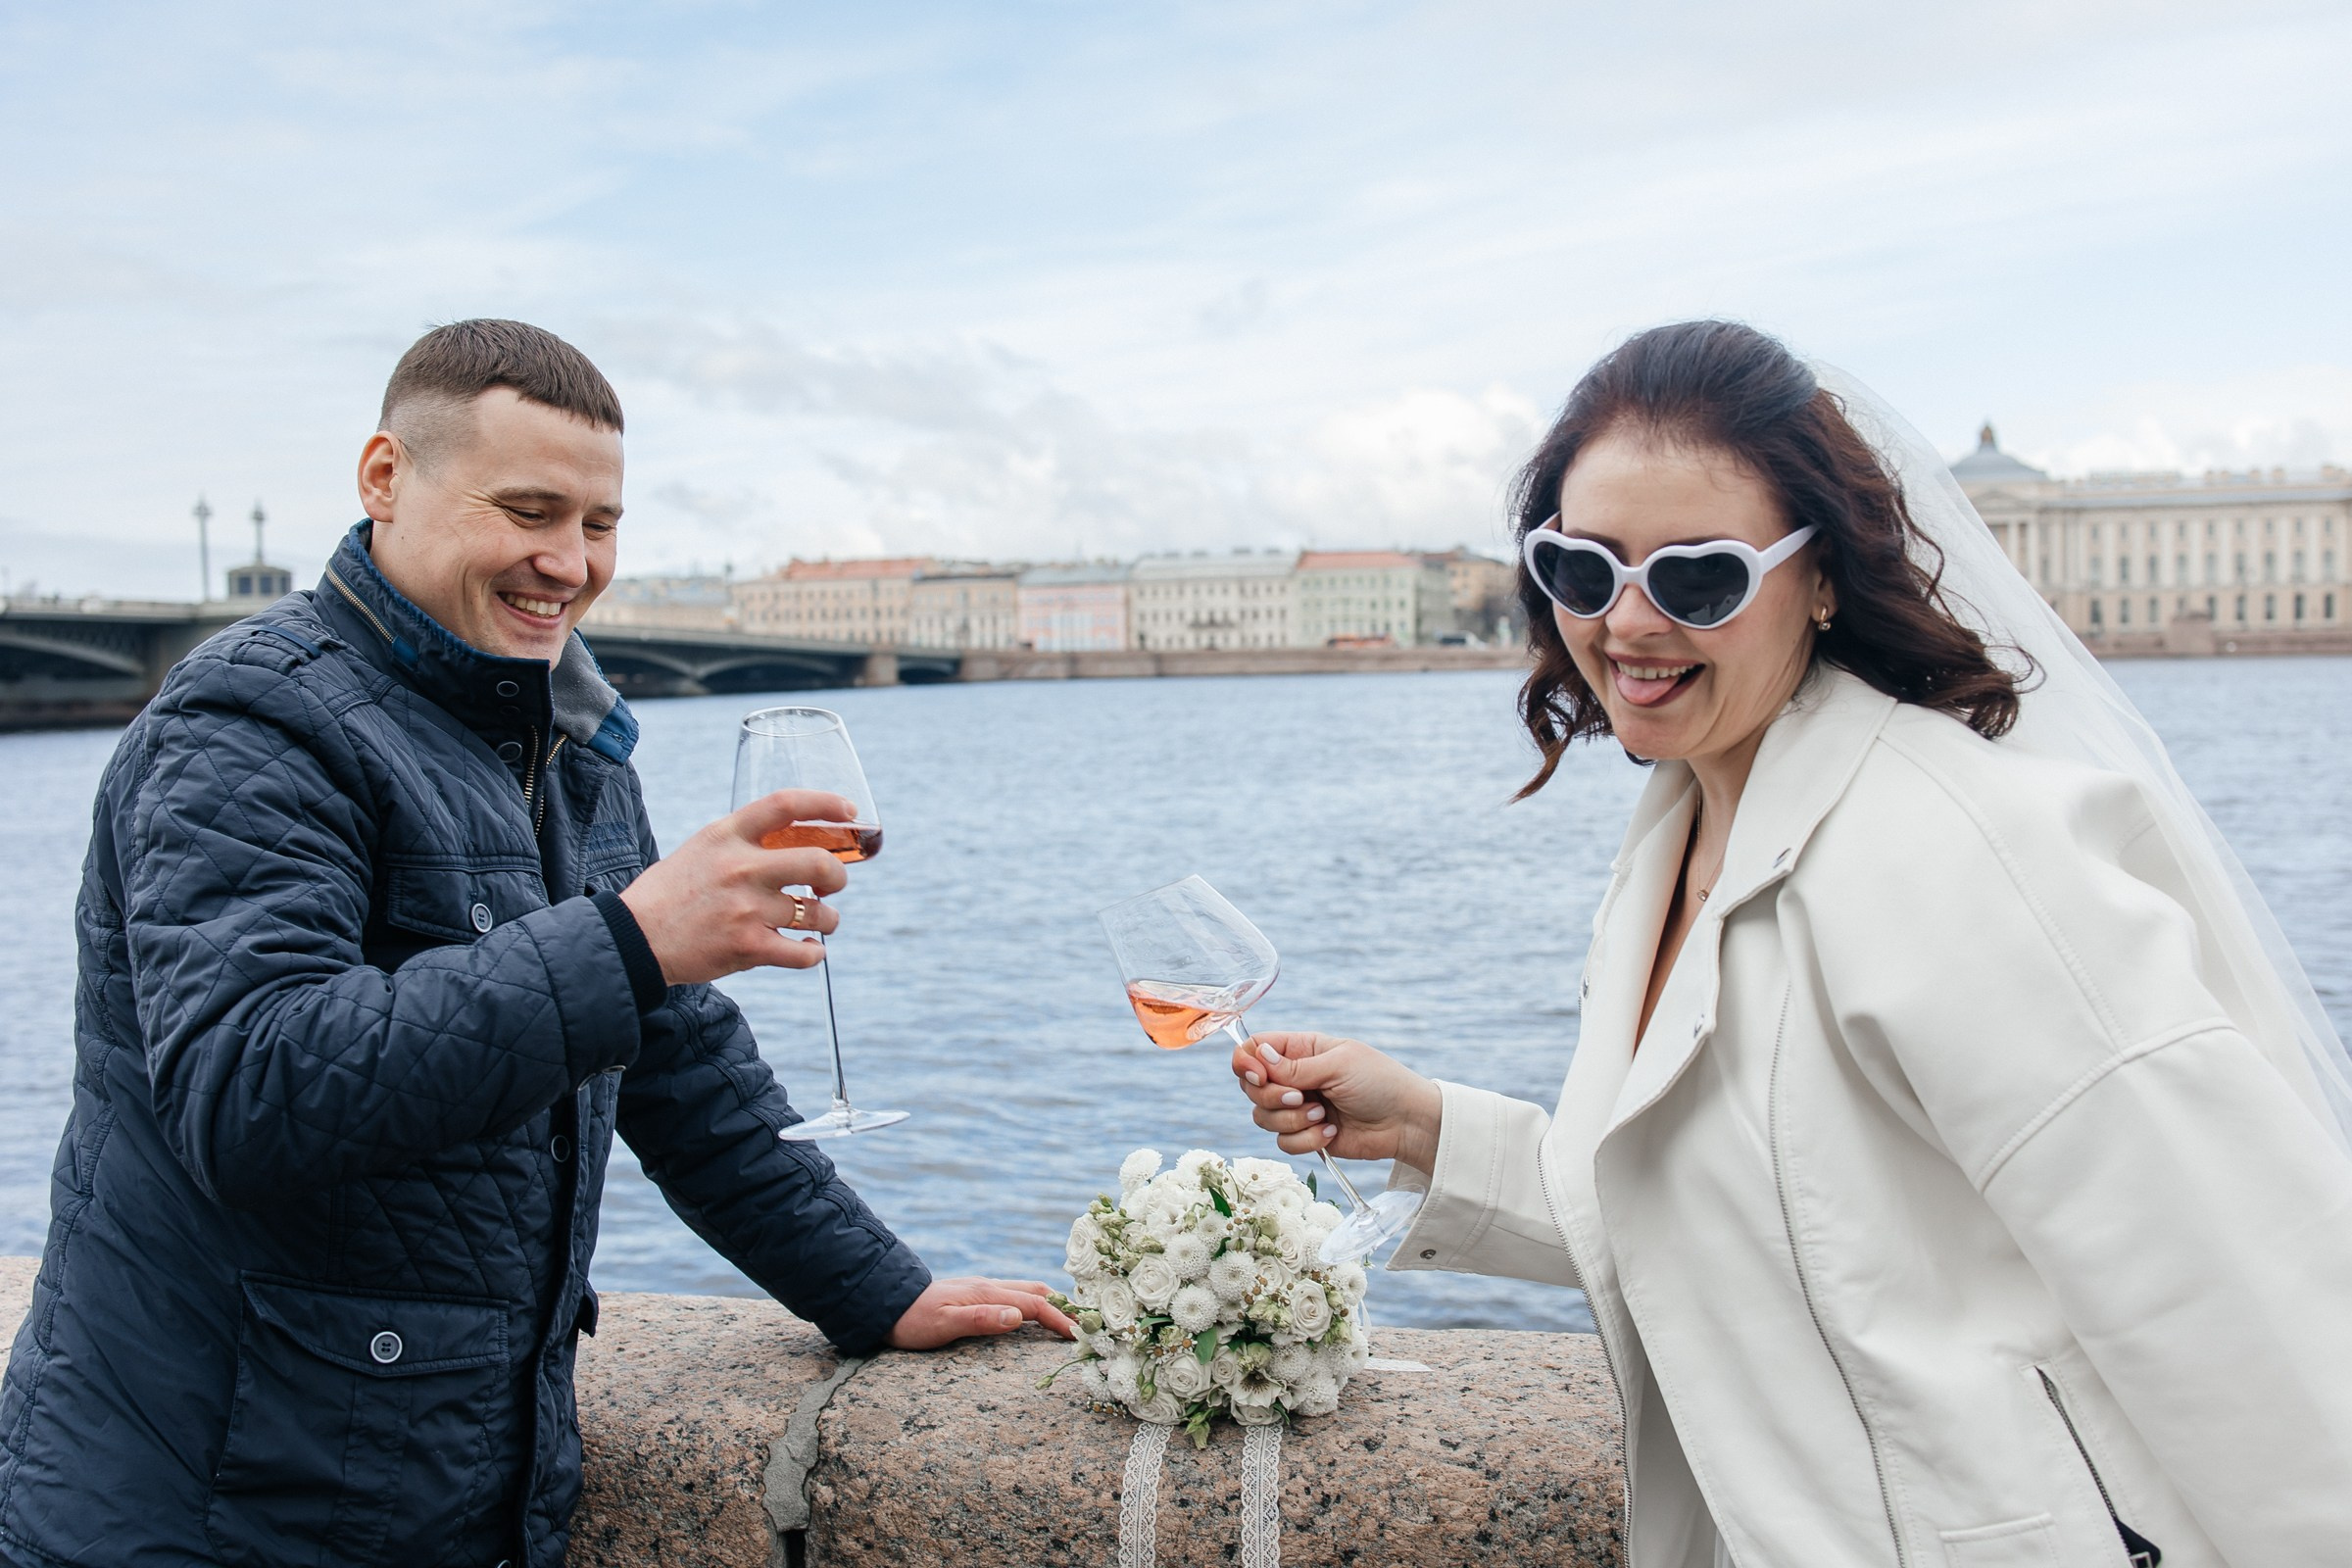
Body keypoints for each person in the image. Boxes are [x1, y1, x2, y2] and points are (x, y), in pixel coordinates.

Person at [1233, 320, 2352, 1567]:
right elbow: (1760, 1222)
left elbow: (2259, 1316)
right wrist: (1430, 1128)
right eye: (1584, 570)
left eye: (1700, 577)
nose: (1630, 623)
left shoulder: (1964, 851)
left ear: (1822, 578)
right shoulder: (1679, 834)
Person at [0, 319, 1070, 1568]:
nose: (568, 563)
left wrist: (874, 1288)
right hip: (208, 1500)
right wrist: (629, 941)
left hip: (440, 1486)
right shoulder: (247, 723)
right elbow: (250, 1089)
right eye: (529, 511)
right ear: (384, 477)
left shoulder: (564, 730)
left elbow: (674, 1068)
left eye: (601, 524)